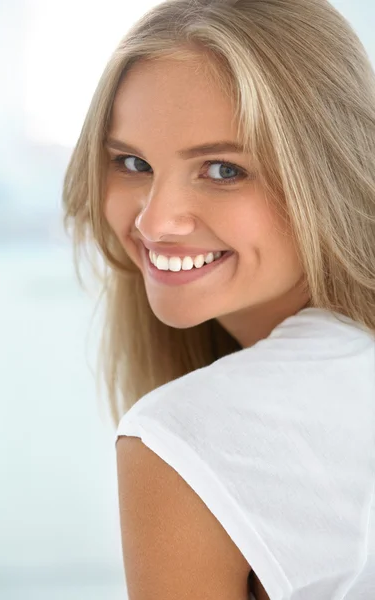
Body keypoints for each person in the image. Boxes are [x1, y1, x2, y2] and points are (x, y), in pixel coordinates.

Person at [62, 0, 375, 598]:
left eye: (223, 170)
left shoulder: (184, 434)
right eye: (131, 163)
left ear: (331, 175)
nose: (156, 223)